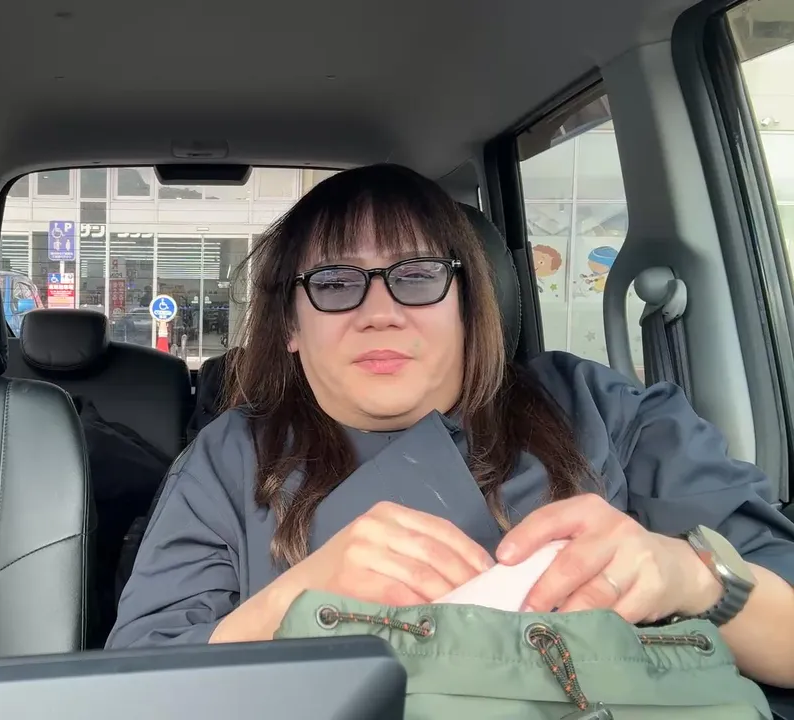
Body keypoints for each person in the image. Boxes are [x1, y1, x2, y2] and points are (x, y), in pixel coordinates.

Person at [106, 163, 794, 689]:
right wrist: (291, 606)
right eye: (336, 283)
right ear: (291, 324)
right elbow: (135, 690)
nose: (380, 313)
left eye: (416, 276)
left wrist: (690, 576)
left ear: (469, 304)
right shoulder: (230, 456)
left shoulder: (603, 411)